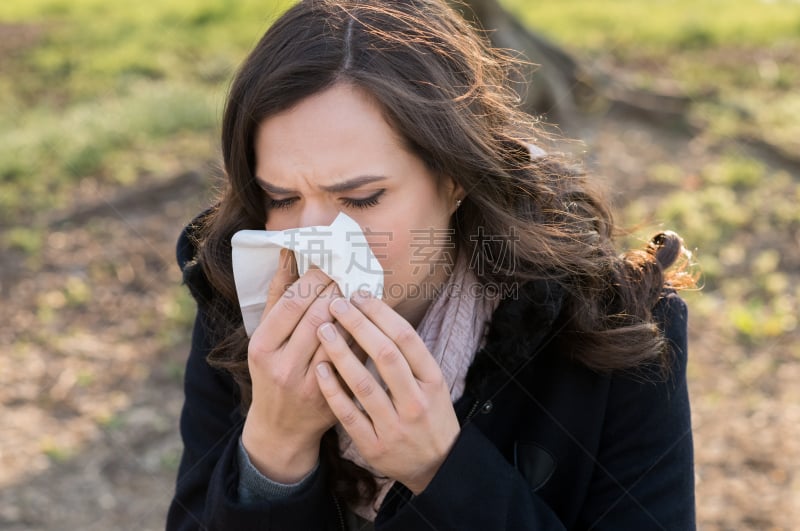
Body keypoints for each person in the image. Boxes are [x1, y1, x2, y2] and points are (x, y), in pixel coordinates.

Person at [166, 0, 697, 529]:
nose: (317, 239)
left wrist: (445, 472)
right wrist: (274, 452)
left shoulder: (615, 326)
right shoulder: (238, 304)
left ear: (455, 178)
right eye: (282, 199)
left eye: (363, 198)